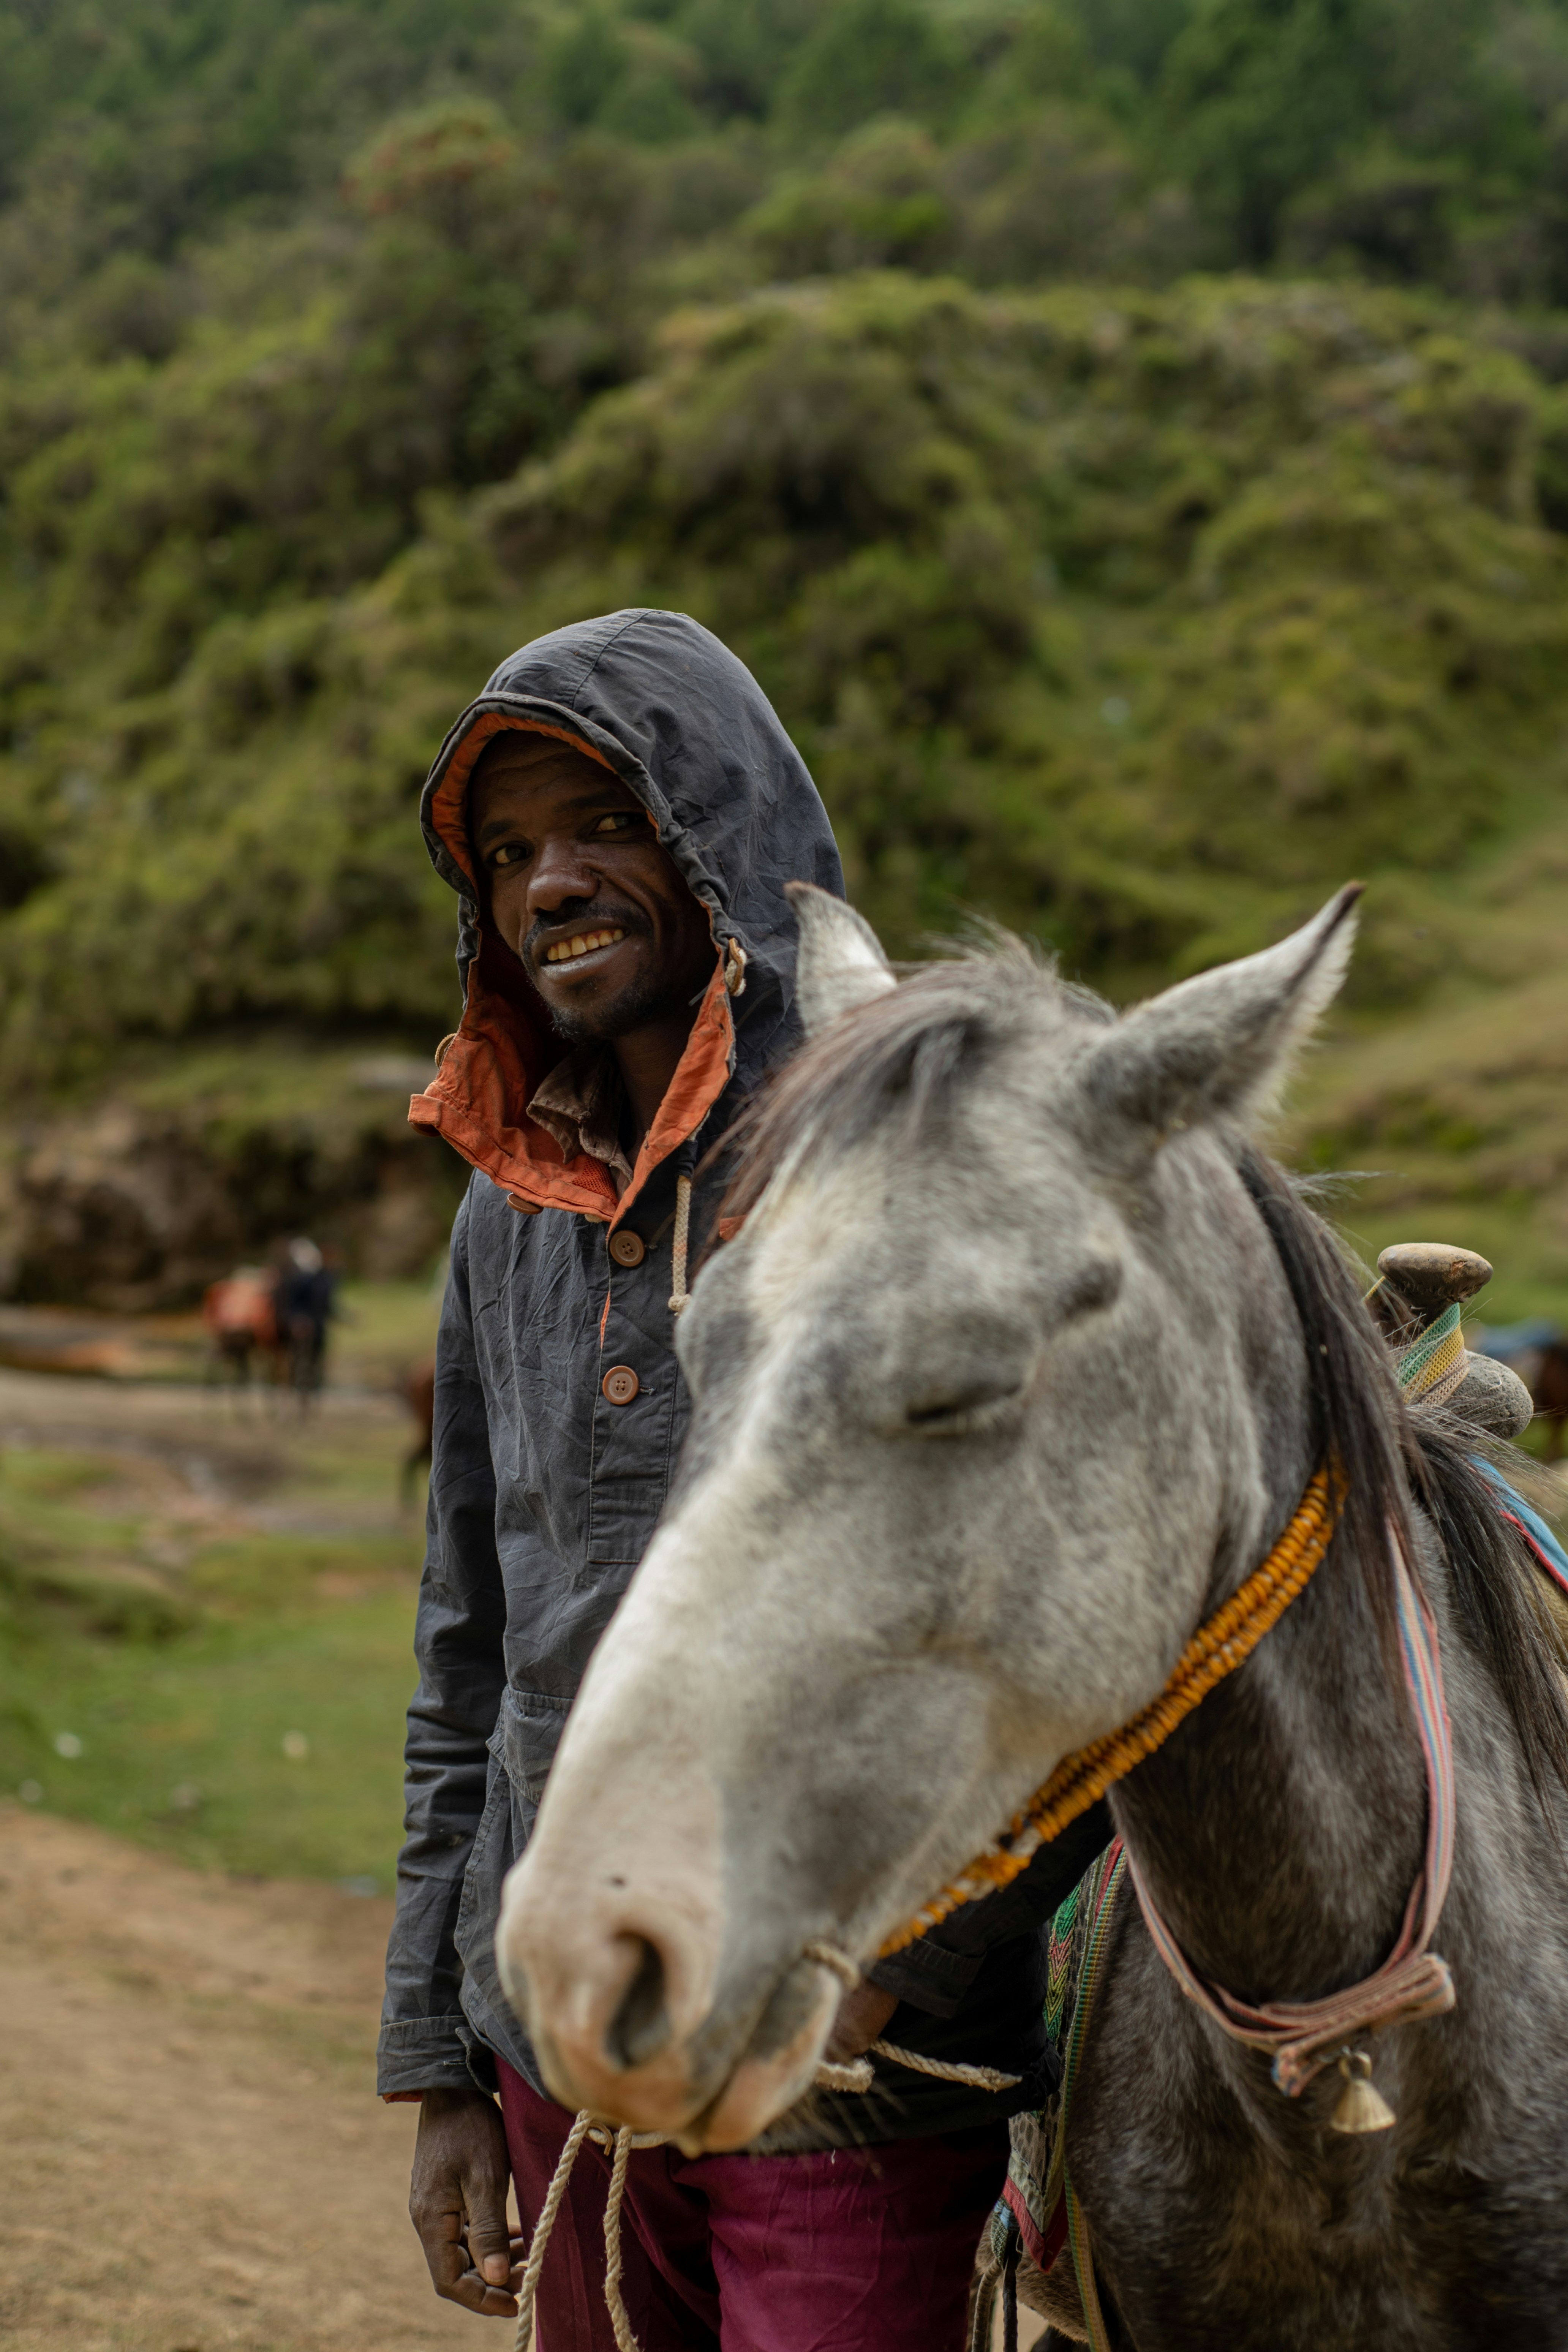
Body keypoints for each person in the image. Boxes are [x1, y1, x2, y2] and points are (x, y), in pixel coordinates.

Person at [377, 609, 1109, 2350]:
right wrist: (442, 2059)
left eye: (607, 823)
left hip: (842, 2057)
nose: (549, 881)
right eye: (505, 854)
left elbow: (1061, 1630)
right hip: (562, 2039)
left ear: (727, 838)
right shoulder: (506, 1207)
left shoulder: (906, 1164)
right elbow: (468, 1645)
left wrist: (905, 1967)